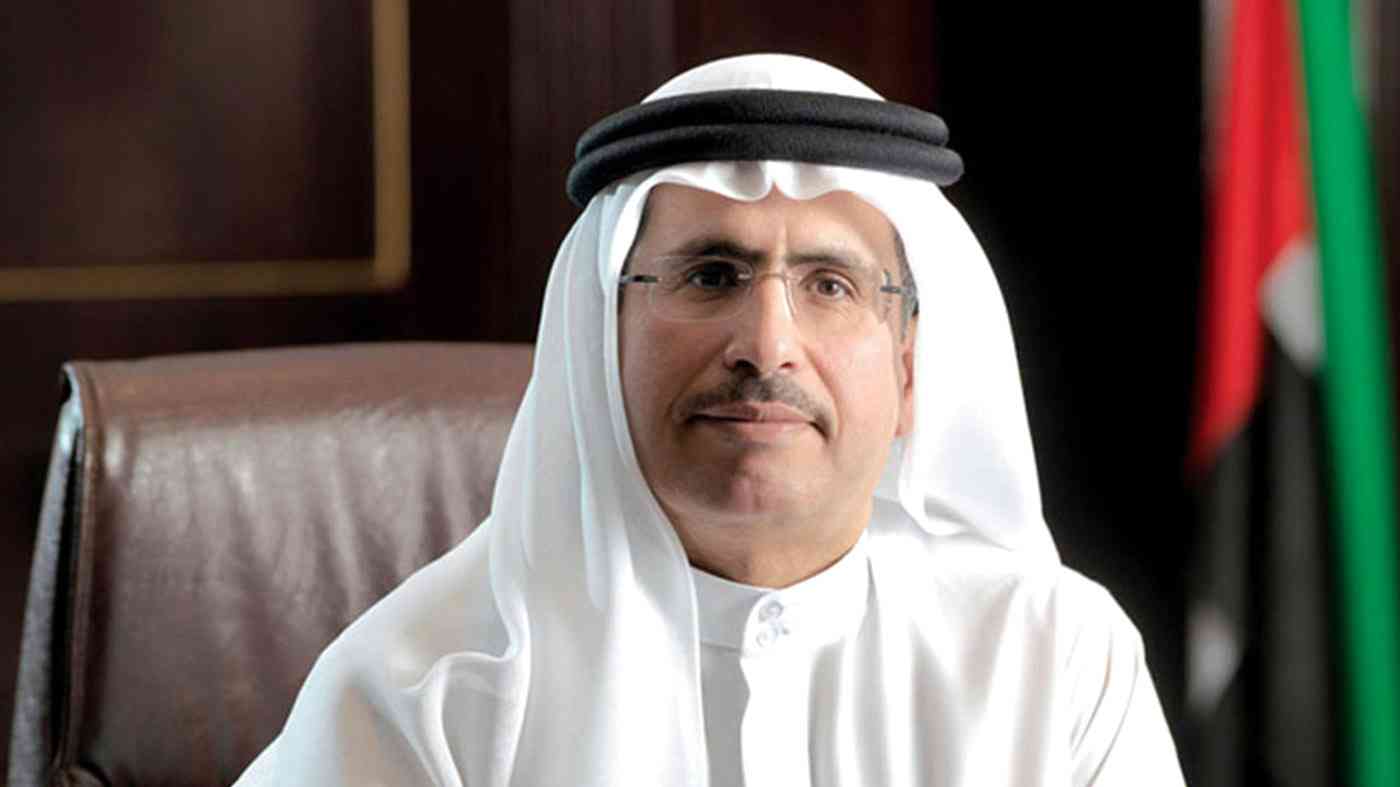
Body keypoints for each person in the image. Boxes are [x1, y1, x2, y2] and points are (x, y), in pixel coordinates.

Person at [233, 53, 1184, 786]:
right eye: (711, 275)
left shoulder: (1055, 663)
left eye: (830, 284)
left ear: (908, 366)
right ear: (602, 342)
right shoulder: (421, 689)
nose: (767, 344)